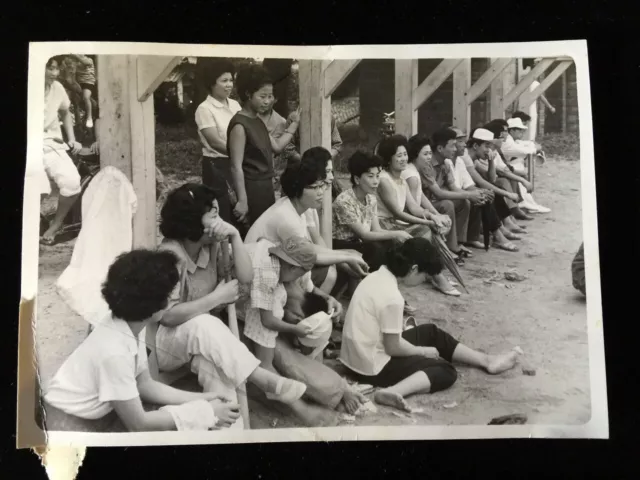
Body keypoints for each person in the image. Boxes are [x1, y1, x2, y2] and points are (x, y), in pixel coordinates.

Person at [155, 183, 308, 426]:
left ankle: (231, 435)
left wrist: (235, 235)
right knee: (204, 323)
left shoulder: (212, 246)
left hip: (204, 344)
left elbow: (246, 277)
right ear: (192, 220)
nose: (220, 221)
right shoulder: (170, 255)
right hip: (167, 343)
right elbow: (168, 317)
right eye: (214, 215)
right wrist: (217, 298)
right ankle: (260, 378)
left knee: (219, 371)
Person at [44, 249, 243, 432]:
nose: (171, 301)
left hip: (95, 413)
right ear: (155, 305)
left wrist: (203, 399)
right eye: (169, 296)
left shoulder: (130, 323)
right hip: (66, 424)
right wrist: (206, 412)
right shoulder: (114, 351)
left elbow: (144, 384)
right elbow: (140, 424)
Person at [339, 238, 521, 412]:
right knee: (445, 370)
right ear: (414, 269)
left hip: (355, 357)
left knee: (430, 332)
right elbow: (393, 347)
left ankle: (487, 361)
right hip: (371, 368)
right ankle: (393, 391)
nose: (425, 280)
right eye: (425, 276)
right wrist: (422, 351)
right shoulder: (391, 297)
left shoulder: (377, 275)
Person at [245, 147, 369, 295]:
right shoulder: (287, 218)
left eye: (321, 186)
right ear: (297, 189)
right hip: (258, 278)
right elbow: (309, 254)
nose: (321, 192)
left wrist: (348, 254)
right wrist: (346, 257)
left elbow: (311, 246)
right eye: (315, 187)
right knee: (328, 272)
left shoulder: (299, 208)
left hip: (277, 267)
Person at [375, 135, 461, 297]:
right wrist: (427, 221)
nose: (403, 159)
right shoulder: (384, 180)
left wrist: (433, 216)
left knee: (431, 227)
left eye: (405, 155)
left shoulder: (400, 179)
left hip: (394, 223)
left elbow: (414, 207)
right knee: (425, 230)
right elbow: (397, 212)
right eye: (398, 156)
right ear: (389, 158)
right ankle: (437, 275)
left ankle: (432, 272)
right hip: (383, 225)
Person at [244, 235, 342, 374]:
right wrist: (294, 329)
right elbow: (267, 321)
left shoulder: (285, 259)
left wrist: (328, 297)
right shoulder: (271, 285)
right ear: (297, 318)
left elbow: (261, 238)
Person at [227, 65, 301, 228]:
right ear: (248, 94)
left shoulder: (257, 120)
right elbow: (235, 166)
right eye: (263, 96)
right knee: (253, 236)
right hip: (250, 189)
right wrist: (242, 200)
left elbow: (276, 147)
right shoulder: (240, 125)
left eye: (270, 96)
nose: (268, 101)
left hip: (265, 187)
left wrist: (293, 126)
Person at [419, 127, 485, 258]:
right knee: (449, 203)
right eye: (452, 146)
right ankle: (450, 247)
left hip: (436, 202)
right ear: (439, 148)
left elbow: (454, 187)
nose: (455, 149)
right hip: (425, 205)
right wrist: (469, 194)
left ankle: (459, 241)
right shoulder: (427, 165)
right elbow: (439, 193)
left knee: (463, 201)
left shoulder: (446, 164)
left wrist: (473, 194)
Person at [40, 57, 83, 245]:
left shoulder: (57, 88)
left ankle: (55, 225)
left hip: (52, 142)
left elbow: (65, 112)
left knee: (72, 182)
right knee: (38, 188)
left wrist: (71, 138)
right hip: (30, 145)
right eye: (49, 68)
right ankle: (32, 222)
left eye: (55, 68)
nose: (54, 73)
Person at [195, 59, 242, 226]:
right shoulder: (204, 109)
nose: (229, 85)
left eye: (231, 80)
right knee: (221, 212)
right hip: (216, 166)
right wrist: (241, 153)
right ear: (212, 83)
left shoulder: (235, 105)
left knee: (239, 209)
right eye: (224, 81)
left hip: (236, 163)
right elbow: (214, 141)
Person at [459, 128, 521, 252]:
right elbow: (482, 182)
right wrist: (508, 194)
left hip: (467, 192)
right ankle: (499, 233)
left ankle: (501, 228)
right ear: (475, 145)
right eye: (486, 146)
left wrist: (491, 162)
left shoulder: (474, 159)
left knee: (492, 190)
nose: (489, 150)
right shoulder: (465, 157)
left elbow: (491, 179)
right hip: (461, 193)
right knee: (488, 192)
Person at [482, 120, 535, 222]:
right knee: (504, 181)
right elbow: (497, 174)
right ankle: (511, 214)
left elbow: (504, 169)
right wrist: (523, 180)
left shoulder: (495, 150)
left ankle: (513, 210)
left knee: (509, 177)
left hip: (493, 178)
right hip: (486, 182)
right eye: (503, 134)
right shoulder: (488, 150)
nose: (505, 136)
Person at [502, 117, 551, 214]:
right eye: (519, 130)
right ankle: (523, 202)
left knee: (520, 166)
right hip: (503, 168)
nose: (522, 132)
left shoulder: (512, 140)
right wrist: (535, 149)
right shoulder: (507, 141)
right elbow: (523, 151)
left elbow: (526, 144)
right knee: (519, 168)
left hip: (506, 167)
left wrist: (533, 146)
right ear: (512, 130)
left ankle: (529, 202)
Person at [520, 59, 556, 142]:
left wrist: (550, 107)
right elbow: (541, 97)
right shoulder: (530, 82)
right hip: (527, 110)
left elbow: (540, 96)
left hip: (525, 109)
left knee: (528, 130)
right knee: (529, 130)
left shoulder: (530, 82)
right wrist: (550, 107)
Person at [68, 54, 97, 129]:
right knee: (76, 100)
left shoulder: (89, 60)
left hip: (88, 82)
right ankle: (78, 123)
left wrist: (76, 55)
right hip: (79, 82)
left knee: (86, 97)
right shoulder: (76, 62)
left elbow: (85, 63)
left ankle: (89, 118)